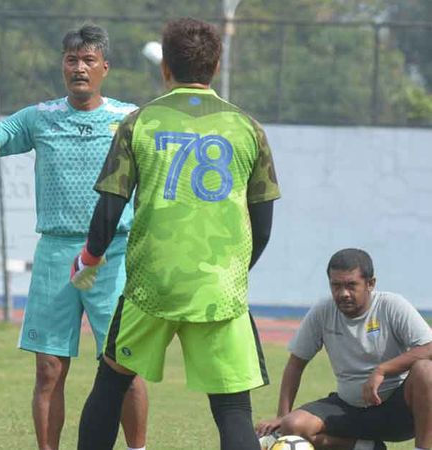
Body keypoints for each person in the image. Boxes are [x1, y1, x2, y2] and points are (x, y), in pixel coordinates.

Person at [0, 24, 148, 450]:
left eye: (88, 61)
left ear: (105, 68)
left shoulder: (130, 120)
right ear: (63, 65)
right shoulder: (40, 118)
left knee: (124, 365)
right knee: (47, 370)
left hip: (115, 254)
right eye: (72, 60)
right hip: (57, 255)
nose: (79, 68)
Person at [72, 17, 280, 450]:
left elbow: (110, 206)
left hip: (153, 283)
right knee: (233, 408)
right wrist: (238, 268)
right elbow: (263, 221)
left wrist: (90, 258)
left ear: (165, 66)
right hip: (220, 287)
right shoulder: (247, 128)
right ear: (216, 65)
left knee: (111, 382)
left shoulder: (138, 123)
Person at [256, 249, 432, 450]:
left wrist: (382, 370)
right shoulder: (323, 311)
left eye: (351, 285)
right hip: (349, 408)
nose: (343, 293)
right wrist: (282, 415)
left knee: (426, 369)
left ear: (370, 284)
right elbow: (295, 364)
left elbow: (430, 348)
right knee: (292, 426)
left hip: (399, 411)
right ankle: (365, 447)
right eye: (336, 285)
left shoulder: (391, 306)